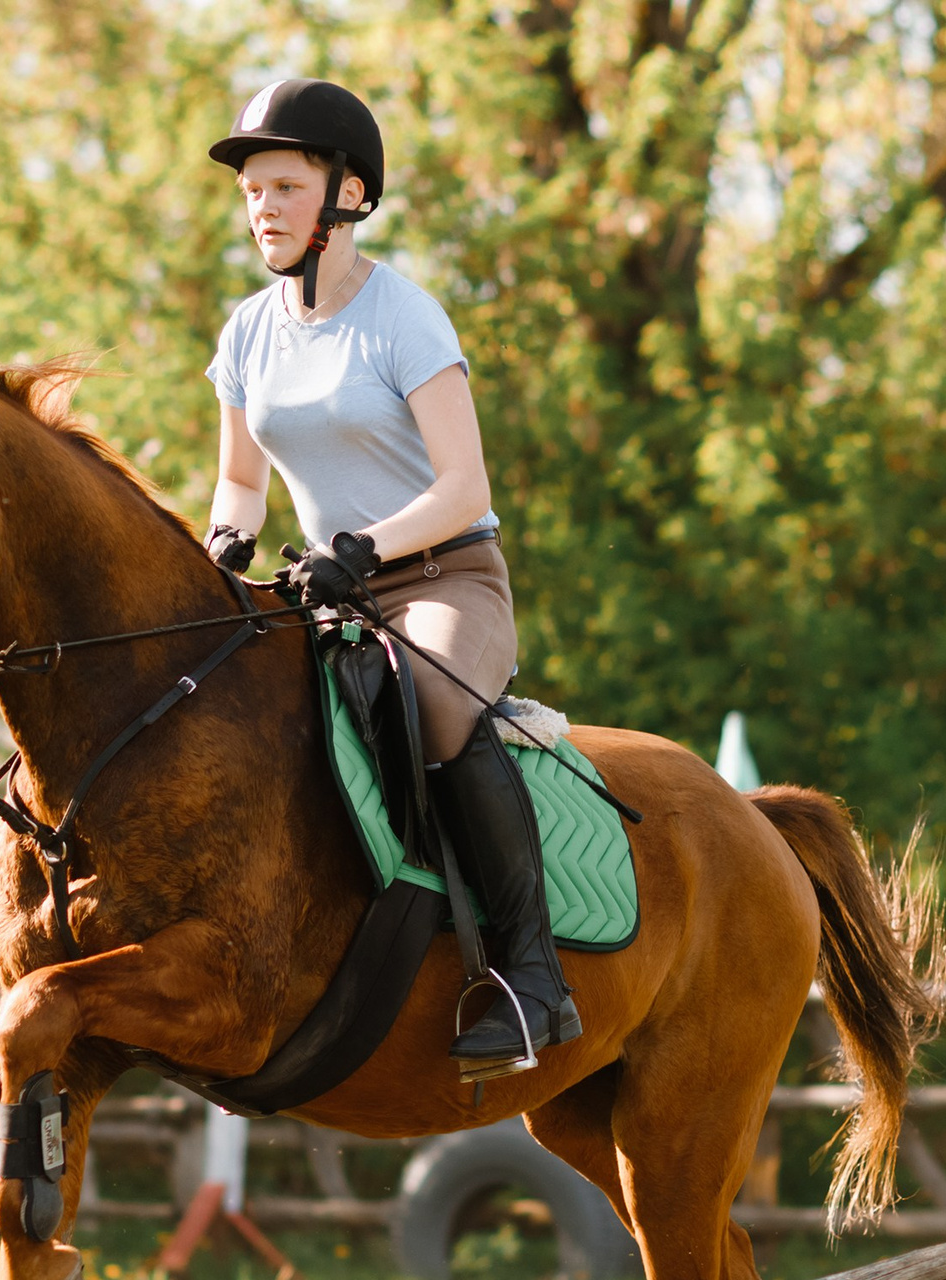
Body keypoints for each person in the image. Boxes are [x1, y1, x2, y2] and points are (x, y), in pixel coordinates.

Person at [201, 78, 578, 1077]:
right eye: (251, 191)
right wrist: (223, 546)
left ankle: (533, 981)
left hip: (446, 579)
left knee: (441, 712)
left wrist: (364, 549)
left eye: (283, 185)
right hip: (327, 594)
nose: (261, 208)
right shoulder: (245, 333)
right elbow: (241, 481)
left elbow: (464, 487)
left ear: (348, 196)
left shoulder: (403, 318)